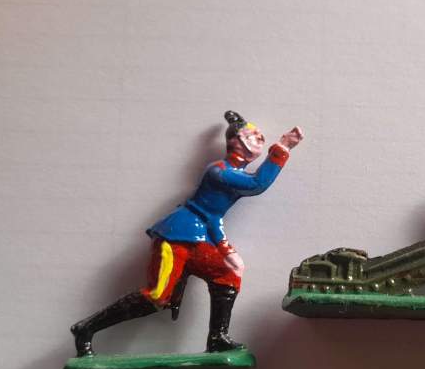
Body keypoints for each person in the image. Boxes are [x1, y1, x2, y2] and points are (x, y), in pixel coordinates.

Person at [70, 111, 304, 356]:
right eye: (253, 135)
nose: (260, 137)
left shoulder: (231, 172)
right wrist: (282, 148)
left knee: (228, 273)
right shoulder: (219, 171)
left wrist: (225, 249)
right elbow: (256, 185)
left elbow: (213, 215)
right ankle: (86, 328)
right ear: (237, 142)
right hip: (176, 238)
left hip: (197, 238)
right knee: (158, 296)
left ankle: (217, 338)